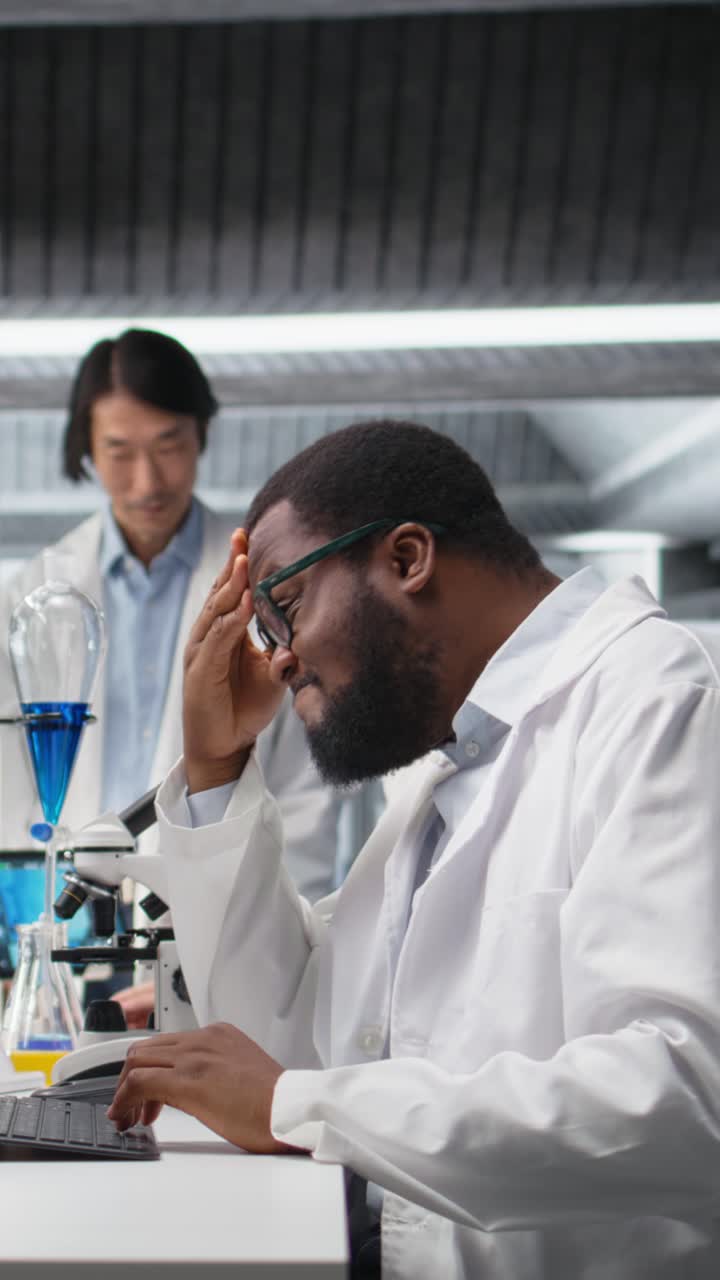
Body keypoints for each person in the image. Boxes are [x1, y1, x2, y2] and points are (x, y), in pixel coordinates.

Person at [108, 420, 720, 1279]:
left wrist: (298, 1104)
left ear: (405, 559)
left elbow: (685, 1100)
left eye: (283, 607)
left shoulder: (662, 705)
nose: (278, 660)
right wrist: (215, 765)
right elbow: (297, 1038)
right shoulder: (451, 761)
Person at [0, 329, 340, 910]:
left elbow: (303, 788)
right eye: (120, 451)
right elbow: (11, 787)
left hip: (218, 914)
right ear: (86, 446)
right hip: (67, 917)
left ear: (200, 433)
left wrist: (284, 936)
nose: (148, 481)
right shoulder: (33, 596)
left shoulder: (265, 585)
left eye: (168, 445)